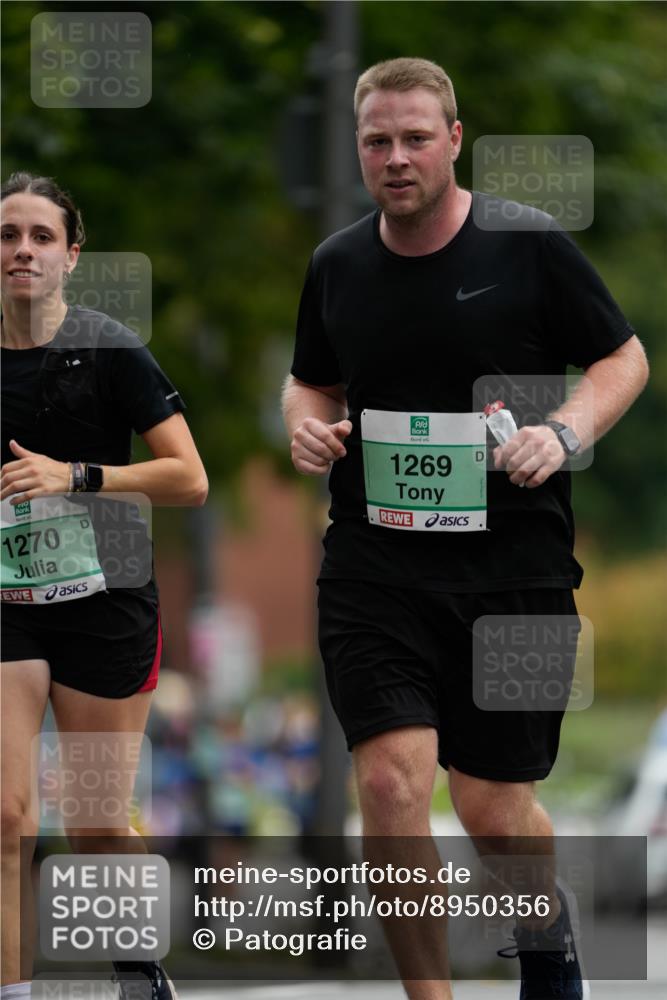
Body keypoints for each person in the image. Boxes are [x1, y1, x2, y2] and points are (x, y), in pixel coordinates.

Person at [282, 58, 649, 1000]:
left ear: (452, 140)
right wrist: (304, 424)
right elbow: (311, 378)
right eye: (376, 141)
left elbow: (622, 358)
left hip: (515, 567)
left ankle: (546, 932)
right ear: (358, 149)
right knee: (393, 790)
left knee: (492, 810)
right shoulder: (338, 264)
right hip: (375, 564)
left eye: (414, 137)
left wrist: (564, 432)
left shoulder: (525, 246)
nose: (395, 157)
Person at [0, 173, 208, 1000]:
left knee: (92, 824)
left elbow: (189, 478)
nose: (21, 249)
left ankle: (138, 965)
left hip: (105, 604)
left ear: (70, 254)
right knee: (7, 817)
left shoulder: (111, 348)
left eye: (40, 236)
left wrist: (74, 476)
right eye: (7, 235)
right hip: (6, 606)